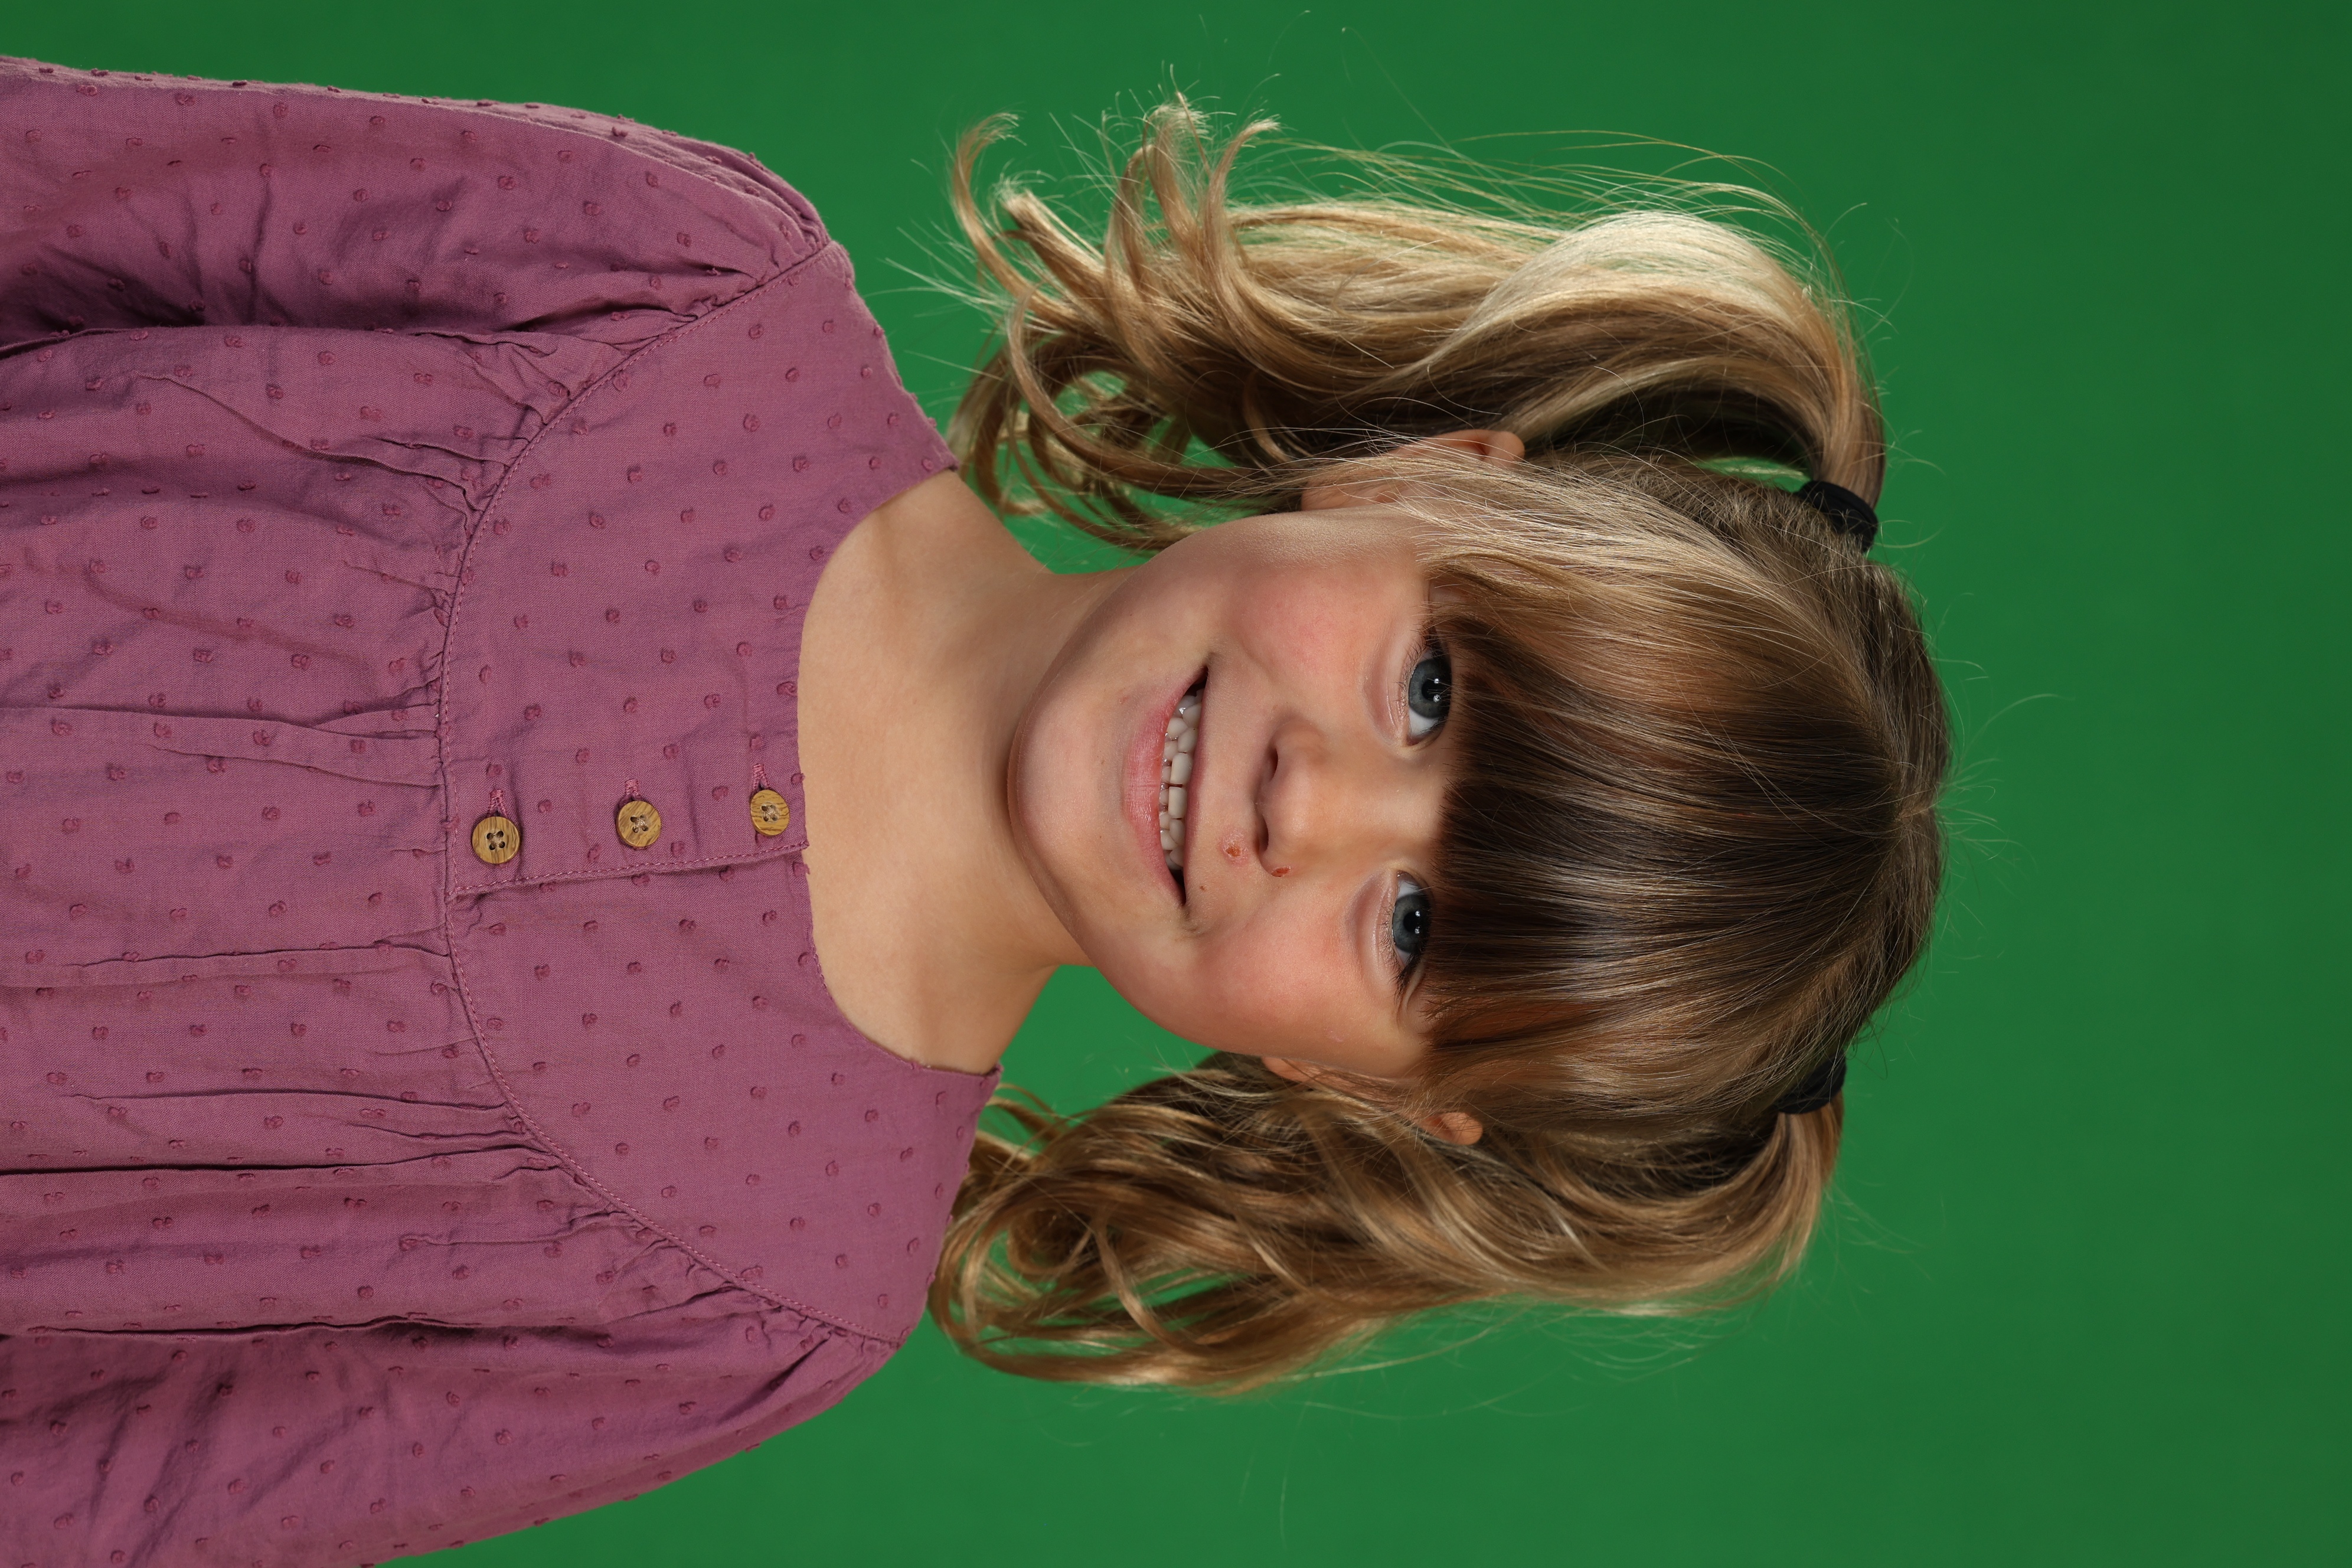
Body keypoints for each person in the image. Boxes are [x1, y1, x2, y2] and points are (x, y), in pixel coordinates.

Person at [0, 53, 1948, 1566]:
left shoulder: (753, 1305)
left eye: (1417, 928)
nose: (1313, 805)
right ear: (1428, 476)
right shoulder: (677, 294)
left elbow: (104, 1503)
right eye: (1434, 690)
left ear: (1368, 1081)